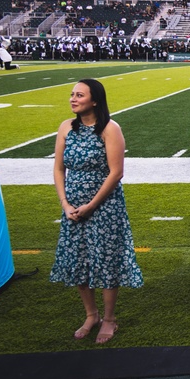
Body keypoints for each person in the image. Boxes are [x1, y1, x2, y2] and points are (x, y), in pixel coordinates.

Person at [50, 78, 143, 344]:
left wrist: (91, 206)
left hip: (105, 205)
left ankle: (110, 319)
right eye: (72, 94)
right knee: (79, 259)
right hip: (73, 205)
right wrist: (66, 204)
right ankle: (91, 315)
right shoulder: (66, 127)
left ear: (94, 100)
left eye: (79, 95)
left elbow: (116, 173)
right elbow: (59, 168)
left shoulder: (110, 128)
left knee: (106, 259)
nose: (73, 99)